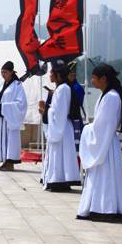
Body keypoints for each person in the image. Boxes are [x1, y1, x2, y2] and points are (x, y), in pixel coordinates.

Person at [77, 63, 122, 222]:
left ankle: (105, 209)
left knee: (106, 178)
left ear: (103, 79)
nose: (92, 81)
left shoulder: (111, 97)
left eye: (94, 78)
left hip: (105, 143)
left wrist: (87, 129)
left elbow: (103, 126)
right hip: (104, 142)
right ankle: (98, 207)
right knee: (103, 178)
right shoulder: (106, 95)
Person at [40, 60, 81, 192]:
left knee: (60, 155)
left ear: (58, 75)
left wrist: (47, 110)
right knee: (59, 155)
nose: (50, 74)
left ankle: (60, 180)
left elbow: (60, 111)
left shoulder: (63, 89)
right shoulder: (61, 88)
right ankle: (57, 179)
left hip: (61, 127)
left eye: (52, 72)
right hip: (60, 126)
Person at [0, 61, 27, 171]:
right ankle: (5, 161)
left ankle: (10, 162)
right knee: (1, 140)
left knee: (10, 140)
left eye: (5, 72)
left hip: (10, 119)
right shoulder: (0, 85)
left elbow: (21, 104)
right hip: (1, 118)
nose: (2, 74)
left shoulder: (17, 85)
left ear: (11, 72)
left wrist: (4, 107)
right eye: (1, 72)